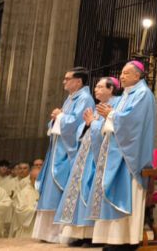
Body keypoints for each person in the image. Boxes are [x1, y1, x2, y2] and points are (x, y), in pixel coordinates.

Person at [88, 61, 157, 249]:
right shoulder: (128, 94)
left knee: (128, 195)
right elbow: (120, 118)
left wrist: (111, 115)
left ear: (137, 75)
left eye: (126, 73)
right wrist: (110, 115)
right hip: (118, 151)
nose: (121, 76)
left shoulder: (143, 95)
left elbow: (132, 123)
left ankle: (126, 240)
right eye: (121, 73)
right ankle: (113, 239)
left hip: (130, 157)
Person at [55, 76, 120, 245]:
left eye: (100, 87)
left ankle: (93, 235)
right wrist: (86, 125)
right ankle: (80, 233)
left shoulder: (116, 104)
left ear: (111, 89)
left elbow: (111, 129)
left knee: (90, 191)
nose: (96, 89)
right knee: (78, 192)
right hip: (85, 153)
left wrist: (93, 123)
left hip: (99, 156)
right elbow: (82, 130)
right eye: (96, 87)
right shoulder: (98, 108)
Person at [34, 67, 95, 242]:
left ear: (78, 81)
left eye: (67, 78)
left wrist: (60, 117)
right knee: (51, 188)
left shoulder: (84, 98)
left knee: (59, 187)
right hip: (58, 149)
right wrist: (56, 118)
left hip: (68, 152)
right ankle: (47, 233)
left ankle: (58, 234)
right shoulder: (72, 98)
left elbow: (76, 124)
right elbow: (64, 120)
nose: (64, 81)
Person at [11, 162, 39, 238]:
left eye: (39, 179)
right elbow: (19, 210)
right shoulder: (23, 193)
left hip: (41, 229)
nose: (37, 181)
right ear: (30, 179)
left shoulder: (47, 192)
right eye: (35, 179)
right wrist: (35, 210)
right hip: (27, 230)